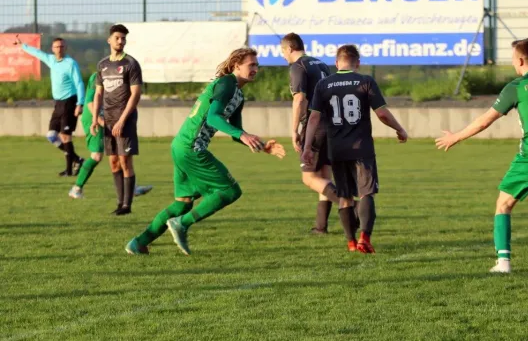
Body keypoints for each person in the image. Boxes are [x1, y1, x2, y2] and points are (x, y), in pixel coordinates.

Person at [435, 39, 528, 273]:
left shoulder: (516, 87)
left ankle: (503, 263)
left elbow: (485, 120)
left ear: (519, 60)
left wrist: (455, 137)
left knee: (503, 205)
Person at [125, 47, 286, 255]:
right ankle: (182, 224)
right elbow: (213, 117)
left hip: (181, 146)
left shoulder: (237, 94)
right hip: (192, 147)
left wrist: (262, 145)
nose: (255, 69)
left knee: (182, 204)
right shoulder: (227, 83)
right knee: (230, 191)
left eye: (257, 65)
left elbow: (235, 131)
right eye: (251, 65)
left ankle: (138, 243)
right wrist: (243, 136)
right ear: (237, 65)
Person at [302, 45, 408, 253]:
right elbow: (383, 114)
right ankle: (364, 238)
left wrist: (307, 147)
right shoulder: (365, 81)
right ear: (357, 62)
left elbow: (314, 118)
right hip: (362, 148)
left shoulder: (323, 84)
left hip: (337, 149)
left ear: (336, 62)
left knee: (345, 196)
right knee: (367, 193)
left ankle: (351, 242)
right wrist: (400, 129)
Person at [280, 33, 336, 234]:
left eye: (283, 53)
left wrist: (294, 130)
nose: (284, 57)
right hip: (331, 123)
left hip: (315, 125)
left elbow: (300, 100)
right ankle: (321, 227)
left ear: (289, 49)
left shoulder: (298, 66)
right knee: (324, 175)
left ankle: (349, 205)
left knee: (309, 178)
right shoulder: (321, 64)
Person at [68, 72, 153, 201]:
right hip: (94, 118)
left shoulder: (121, 77)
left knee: (121, 152)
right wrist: (100, 121)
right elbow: (91, 102)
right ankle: (76, 188)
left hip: (108, 118)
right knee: (96, 155)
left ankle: (131, 187)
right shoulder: (97, 76)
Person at [16, 35, 85, 176]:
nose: (59, 49)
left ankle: (69, 170)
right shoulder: (51, 60)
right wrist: (22, 45)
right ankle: (77, 159)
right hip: (58, 104)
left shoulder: (71, 63)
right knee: (52, 135)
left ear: (65, 48)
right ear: (53, 49)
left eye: (62, 46)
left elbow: (79, 83)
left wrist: (80, 103)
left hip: (70, 102)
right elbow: (38, 53)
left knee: (65, 136)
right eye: (57, 47)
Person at [91, 24, 142, 215]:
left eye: (123, 38)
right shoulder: (102, 65)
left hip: (125, 119)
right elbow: (98, 94)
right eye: (118, 38)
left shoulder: (131, 64)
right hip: (108, 120)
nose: (121, 41)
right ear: (109, 40)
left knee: (125, 161)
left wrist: (122, 120)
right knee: (113, 161)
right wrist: (96, 118)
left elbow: (135, 94)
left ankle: (127, 206)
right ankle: (119, 203)